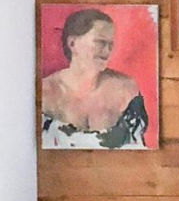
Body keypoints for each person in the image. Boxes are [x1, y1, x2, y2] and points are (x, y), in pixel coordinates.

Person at [41, 8, 149, 149]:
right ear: (72, 43)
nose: (107, 51)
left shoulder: (127, 91)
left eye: (111, 45)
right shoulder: (45, 93)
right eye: (100, 42)